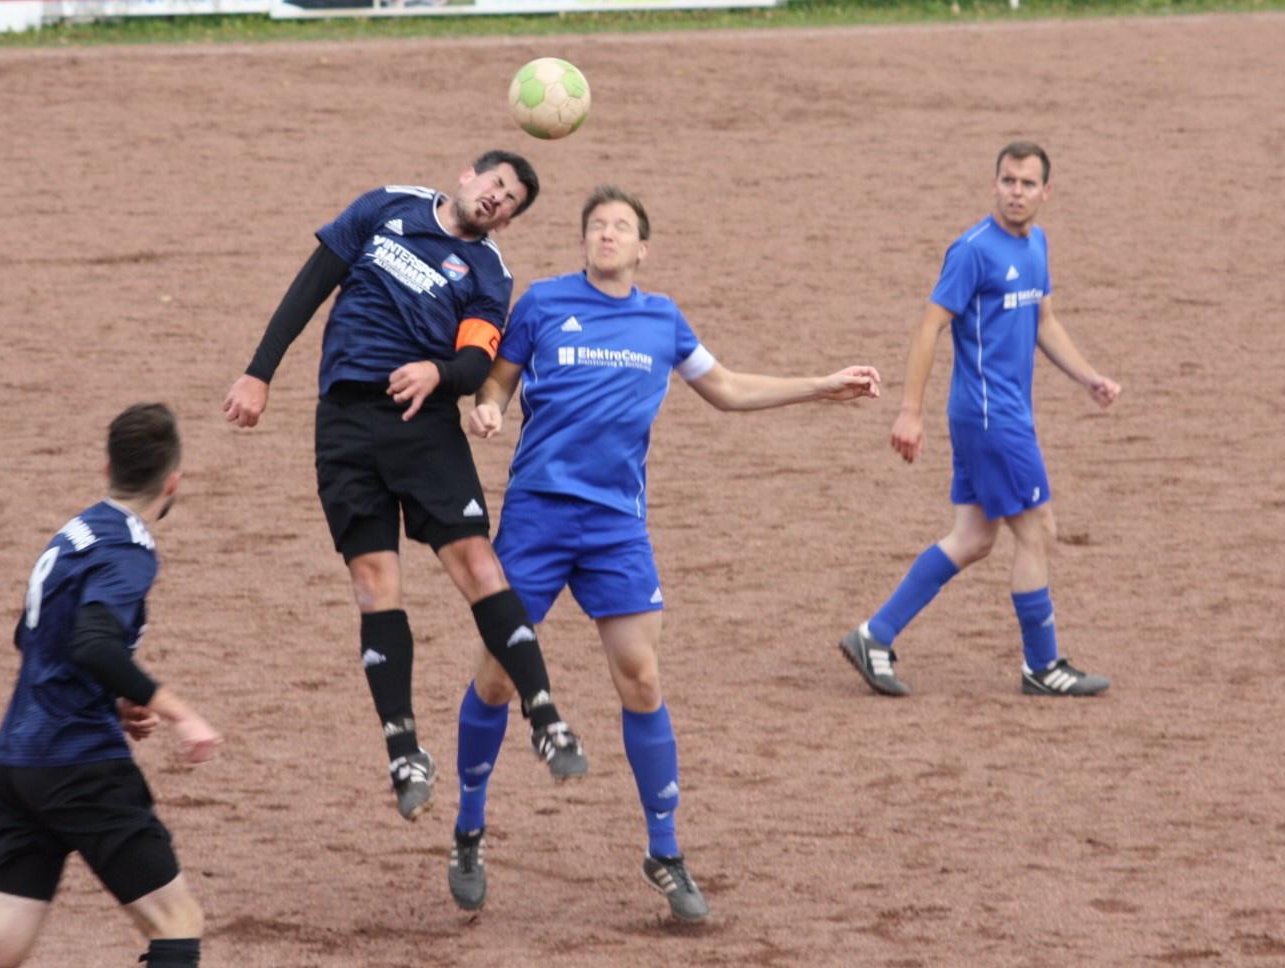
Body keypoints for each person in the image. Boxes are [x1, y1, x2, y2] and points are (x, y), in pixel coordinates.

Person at [445, 184, 882, 922]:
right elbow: (497, 379)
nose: (606, 234)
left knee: (641, 679)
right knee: (495, 678)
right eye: (596, 226)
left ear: (642, 247)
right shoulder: (543, 304)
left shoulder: (662, 317)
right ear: (584, 243)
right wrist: (487, 404)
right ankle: (468, 829)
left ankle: (664, 851)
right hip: (537, 518)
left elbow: (728, 388)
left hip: (615, 525)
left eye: (620, 227)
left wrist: (818, 386)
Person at [222, 150, 587, 823]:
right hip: (345, 424)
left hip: (422, 429)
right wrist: (258, 372)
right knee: (372, 583)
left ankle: (545, 716)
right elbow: (311, 284)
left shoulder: (486, 271)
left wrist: (437, 374)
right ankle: (403, 750)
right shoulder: (386, 206)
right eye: (496, 185)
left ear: (507, 221)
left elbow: (476, 357)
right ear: (467, 176)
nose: (498, 200)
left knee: (478, 563)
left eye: (511, 202)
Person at [0, 403, 222, 968]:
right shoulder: (128, 550)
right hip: (80, 763)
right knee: (177, 921)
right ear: (173, 482)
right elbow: (92, 643)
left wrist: (113, 700)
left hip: (20, 761)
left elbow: (35, 638)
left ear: (106, 468)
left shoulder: (75, 533)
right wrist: (180, 712)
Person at [839, 141, 1122, 700]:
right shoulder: (972, 251)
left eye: (1027, 183)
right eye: (1008, 181)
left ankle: (874, 635)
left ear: (1046, 191)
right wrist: (909, 412)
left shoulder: (1036, 244)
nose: (1016, 192)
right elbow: (928, 327)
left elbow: (1044, 322)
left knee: (972, 538)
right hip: (991, 418)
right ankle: (1042, 666)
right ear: (994, 184)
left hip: (1000, 414)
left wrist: (1088, 376)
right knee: (1038, 530)